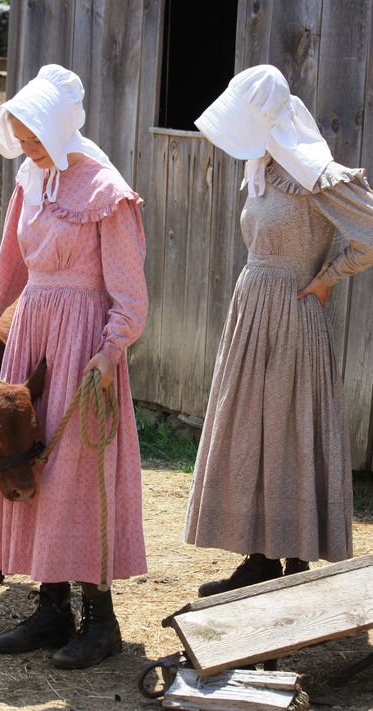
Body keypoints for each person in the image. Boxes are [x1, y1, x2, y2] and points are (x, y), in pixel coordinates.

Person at [0, 64, 148, 667]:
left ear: (58, 129)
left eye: (32, 138)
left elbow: (130, 295)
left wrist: (110, 351)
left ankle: (100, 620)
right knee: (30, 467)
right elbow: (6, 281)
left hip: (83, 351)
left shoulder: (107, 192)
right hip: (32, 344)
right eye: (21, 139)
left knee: (81, 476)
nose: (25, 149)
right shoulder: (31, 182)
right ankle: (51, 609)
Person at [184, 65, 373, 597]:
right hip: (253, 308)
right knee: (251, 429)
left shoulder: (315, 173)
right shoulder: (263, 166)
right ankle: (259, 555)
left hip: (292, 312)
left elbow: (370, 232)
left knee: (288, 427)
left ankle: (292, 550)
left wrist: (327, 279)